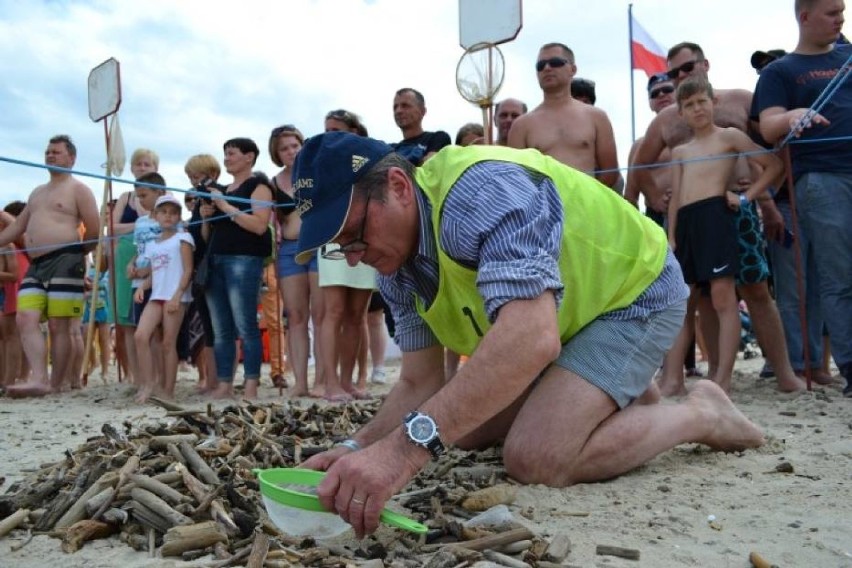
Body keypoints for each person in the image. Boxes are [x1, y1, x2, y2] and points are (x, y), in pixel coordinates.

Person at [292, 132, 764, 538]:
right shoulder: (394, 260)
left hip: (633, 291)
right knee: (465, 426)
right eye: (338, 247)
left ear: (397, 186)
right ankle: (622, 390)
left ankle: (702, 414)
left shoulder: (479, 193)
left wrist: (401, 453)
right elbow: (420, 384)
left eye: (353, 233)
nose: (352, 256)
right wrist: (359, 447)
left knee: (536, 457)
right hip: (571, 315)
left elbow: (530, 339)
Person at [634, 41, 806, 395]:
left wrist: (755, 200)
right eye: (674, 73)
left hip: (736, 211)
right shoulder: (668, 123)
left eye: (687, 68)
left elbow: (773, 155)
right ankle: (709, 373)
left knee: (755, 289)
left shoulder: (740, 101)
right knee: (698, 298)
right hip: (690, 219)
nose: (681, 76)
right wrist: (655, 198)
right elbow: (640, 165)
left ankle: (784, 372)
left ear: (705, 65)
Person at [754, 0, 852, 396]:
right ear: (805, 16)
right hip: (823, 179)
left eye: (843, 11)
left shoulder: (848, 57)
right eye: (831, 12)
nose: (841, 19)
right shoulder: (781, 71)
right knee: (839, 277)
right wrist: (793, 115)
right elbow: (767, 125)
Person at [668, 78, 784, 392]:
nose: (697, 109)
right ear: (681, 113)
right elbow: (675, 199)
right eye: (689, 105)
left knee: (723, 298)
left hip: (716, 216)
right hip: (687, 225)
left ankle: (723, 378)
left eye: (701, 101)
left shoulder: (730, 136)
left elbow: (773, 166)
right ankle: (673, 378)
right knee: (682, 303)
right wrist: (671, 236)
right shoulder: (679, 151)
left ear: (713, 102)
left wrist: (747, 198)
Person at [0, 135, 100, 397]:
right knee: (26, 317)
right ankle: (40, 377)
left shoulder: (79, 189)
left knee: (59, 323)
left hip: (66, 259)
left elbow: (94, 227)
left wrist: (79, 253)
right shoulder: (37, 193)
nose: (50, 155)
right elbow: (18, 227)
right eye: (47, 151)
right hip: (37, 263)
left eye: (56, 151)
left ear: (71, 158)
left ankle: (56, 383)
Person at [199, 138, 272, 400]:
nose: (226, 158)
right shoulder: (221, 189)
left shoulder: (259, 186)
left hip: (244, 260)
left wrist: (225, 206)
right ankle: (225, 384)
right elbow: (207, 236)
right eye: (225, 154)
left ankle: (251, 384)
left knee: (246, 326)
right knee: (221, 330)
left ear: (249, 157)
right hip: (216, 259)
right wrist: (208, 217)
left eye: (231, 153)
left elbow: (260, 226)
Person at [319, 109, 380, 401]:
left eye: (336, 130)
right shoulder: (319, 163)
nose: (328, 135)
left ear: (354, 132)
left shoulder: (372, 160)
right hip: (331, 238)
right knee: (333, 312)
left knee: (357, 314)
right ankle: (330, 383)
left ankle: (348, 382)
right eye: (326, 129)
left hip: (365, 237)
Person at [508, 43, 619, 188]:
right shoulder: (521, 126)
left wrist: (587, 200)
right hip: (543, 208)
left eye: (555, 63)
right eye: (540, 66)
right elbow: (516, 179)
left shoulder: (596, 117)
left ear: (573, 69)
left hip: (587, 205)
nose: (547, 68)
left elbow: (610, 172)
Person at [269, 125, 324, 398]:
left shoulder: (317, 172)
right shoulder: (273, 182)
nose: (291, 151)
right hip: (289, 250)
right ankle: (300, 382)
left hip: (320, 247)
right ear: (276, 153)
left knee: (322, 315)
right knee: (296, 317)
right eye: (284, 148)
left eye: (294, 145)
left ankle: (322, 381)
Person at [133, 195, 194, 402]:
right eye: (164, 212)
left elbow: (188, 270)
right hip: (157, 295)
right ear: (156, 216)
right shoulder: (153, 244)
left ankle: (168, 391)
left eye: (173, 212)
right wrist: (142, 286)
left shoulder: (183, 238)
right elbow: (154, 273)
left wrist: (178, 295)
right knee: (141, 336)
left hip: (175, 296)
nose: (168, 216)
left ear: (179, 217)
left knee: (168, 343)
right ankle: (149, 382)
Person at [111, 148, 159, 384]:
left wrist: (140, 226)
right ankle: (135, 376)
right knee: (127, 320)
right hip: (127, 256)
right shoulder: (125, 197)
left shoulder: (164, 197)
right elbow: (112, 227)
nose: (142, 167)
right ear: (131, 168)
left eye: (147, 164)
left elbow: (170, 226)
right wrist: (141, 225)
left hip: (155, 259)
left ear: (155, 169)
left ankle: (155, 376)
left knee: (152, 320)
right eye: (138, 164)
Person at [184, 154, 222, 392]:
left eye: (197, 176)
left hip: (214, 267)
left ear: (212, 174)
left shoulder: (216, 194)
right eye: (190, 177)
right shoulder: (199, 200)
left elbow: (209, 237)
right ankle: (210, 380)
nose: (194, 181)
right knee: (208, 327)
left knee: (220, 327)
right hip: (199, 268)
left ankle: (219, 379)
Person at [625, 73, 677, 224]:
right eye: (654, 93)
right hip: (658, 216)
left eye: (667, 89)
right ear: (650, 103)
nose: (661, 94)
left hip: (697, 210)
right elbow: (630, 195)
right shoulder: (640, 146)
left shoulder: (697, 133)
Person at [1, 201, 28, 383]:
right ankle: (8, 378)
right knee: (8, 335)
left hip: (16, 287)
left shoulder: (16, 240)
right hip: (10, 287)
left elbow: (13, 274)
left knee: (14, 334)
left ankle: (13, 379)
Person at [391, 88, 451, 166]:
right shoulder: (390, 149)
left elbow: (429, 166)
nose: (398, 111)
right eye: (395, 107)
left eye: (405, 106)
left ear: (422, 111)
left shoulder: (438, 138)